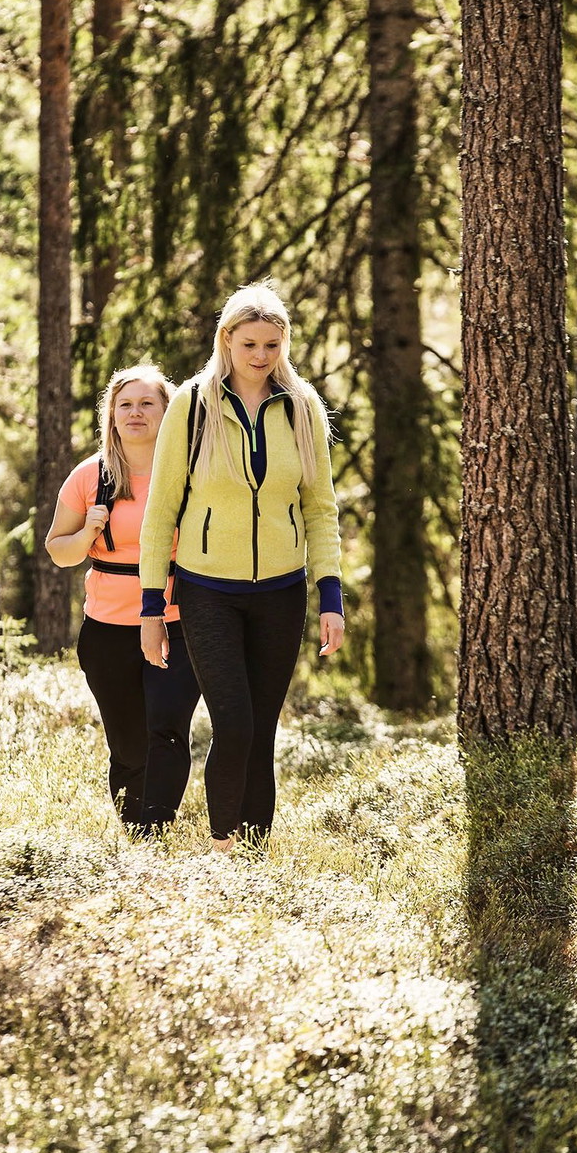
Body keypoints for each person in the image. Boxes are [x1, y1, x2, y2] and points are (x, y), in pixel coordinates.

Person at [139, 284, 344, 853]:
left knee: (262, 732)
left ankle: (254, 855)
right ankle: (224, 847)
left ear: (285, 345)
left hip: (282, 592)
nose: (260, 356)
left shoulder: (302, 407)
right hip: (207, 591)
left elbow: (320, 508)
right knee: (234, 722)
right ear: (226, 340)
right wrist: (152, 608)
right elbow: (161, 511)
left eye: (272, 345)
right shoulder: (191, 404)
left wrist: (331, 598)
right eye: (249, 343)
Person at [45, 365, 200, 834]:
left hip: (177, 621)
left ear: (167, 411)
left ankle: (156, 834)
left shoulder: (192, 471)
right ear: (111, 415)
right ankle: (135, 833)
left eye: (147, 403)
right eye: (125, 405)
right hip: (108, 629)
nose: (135, 413)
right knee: (129, 743)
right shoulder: (89, 476)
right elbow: (59, 550)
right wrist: (89, 530)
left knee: (168, 732)